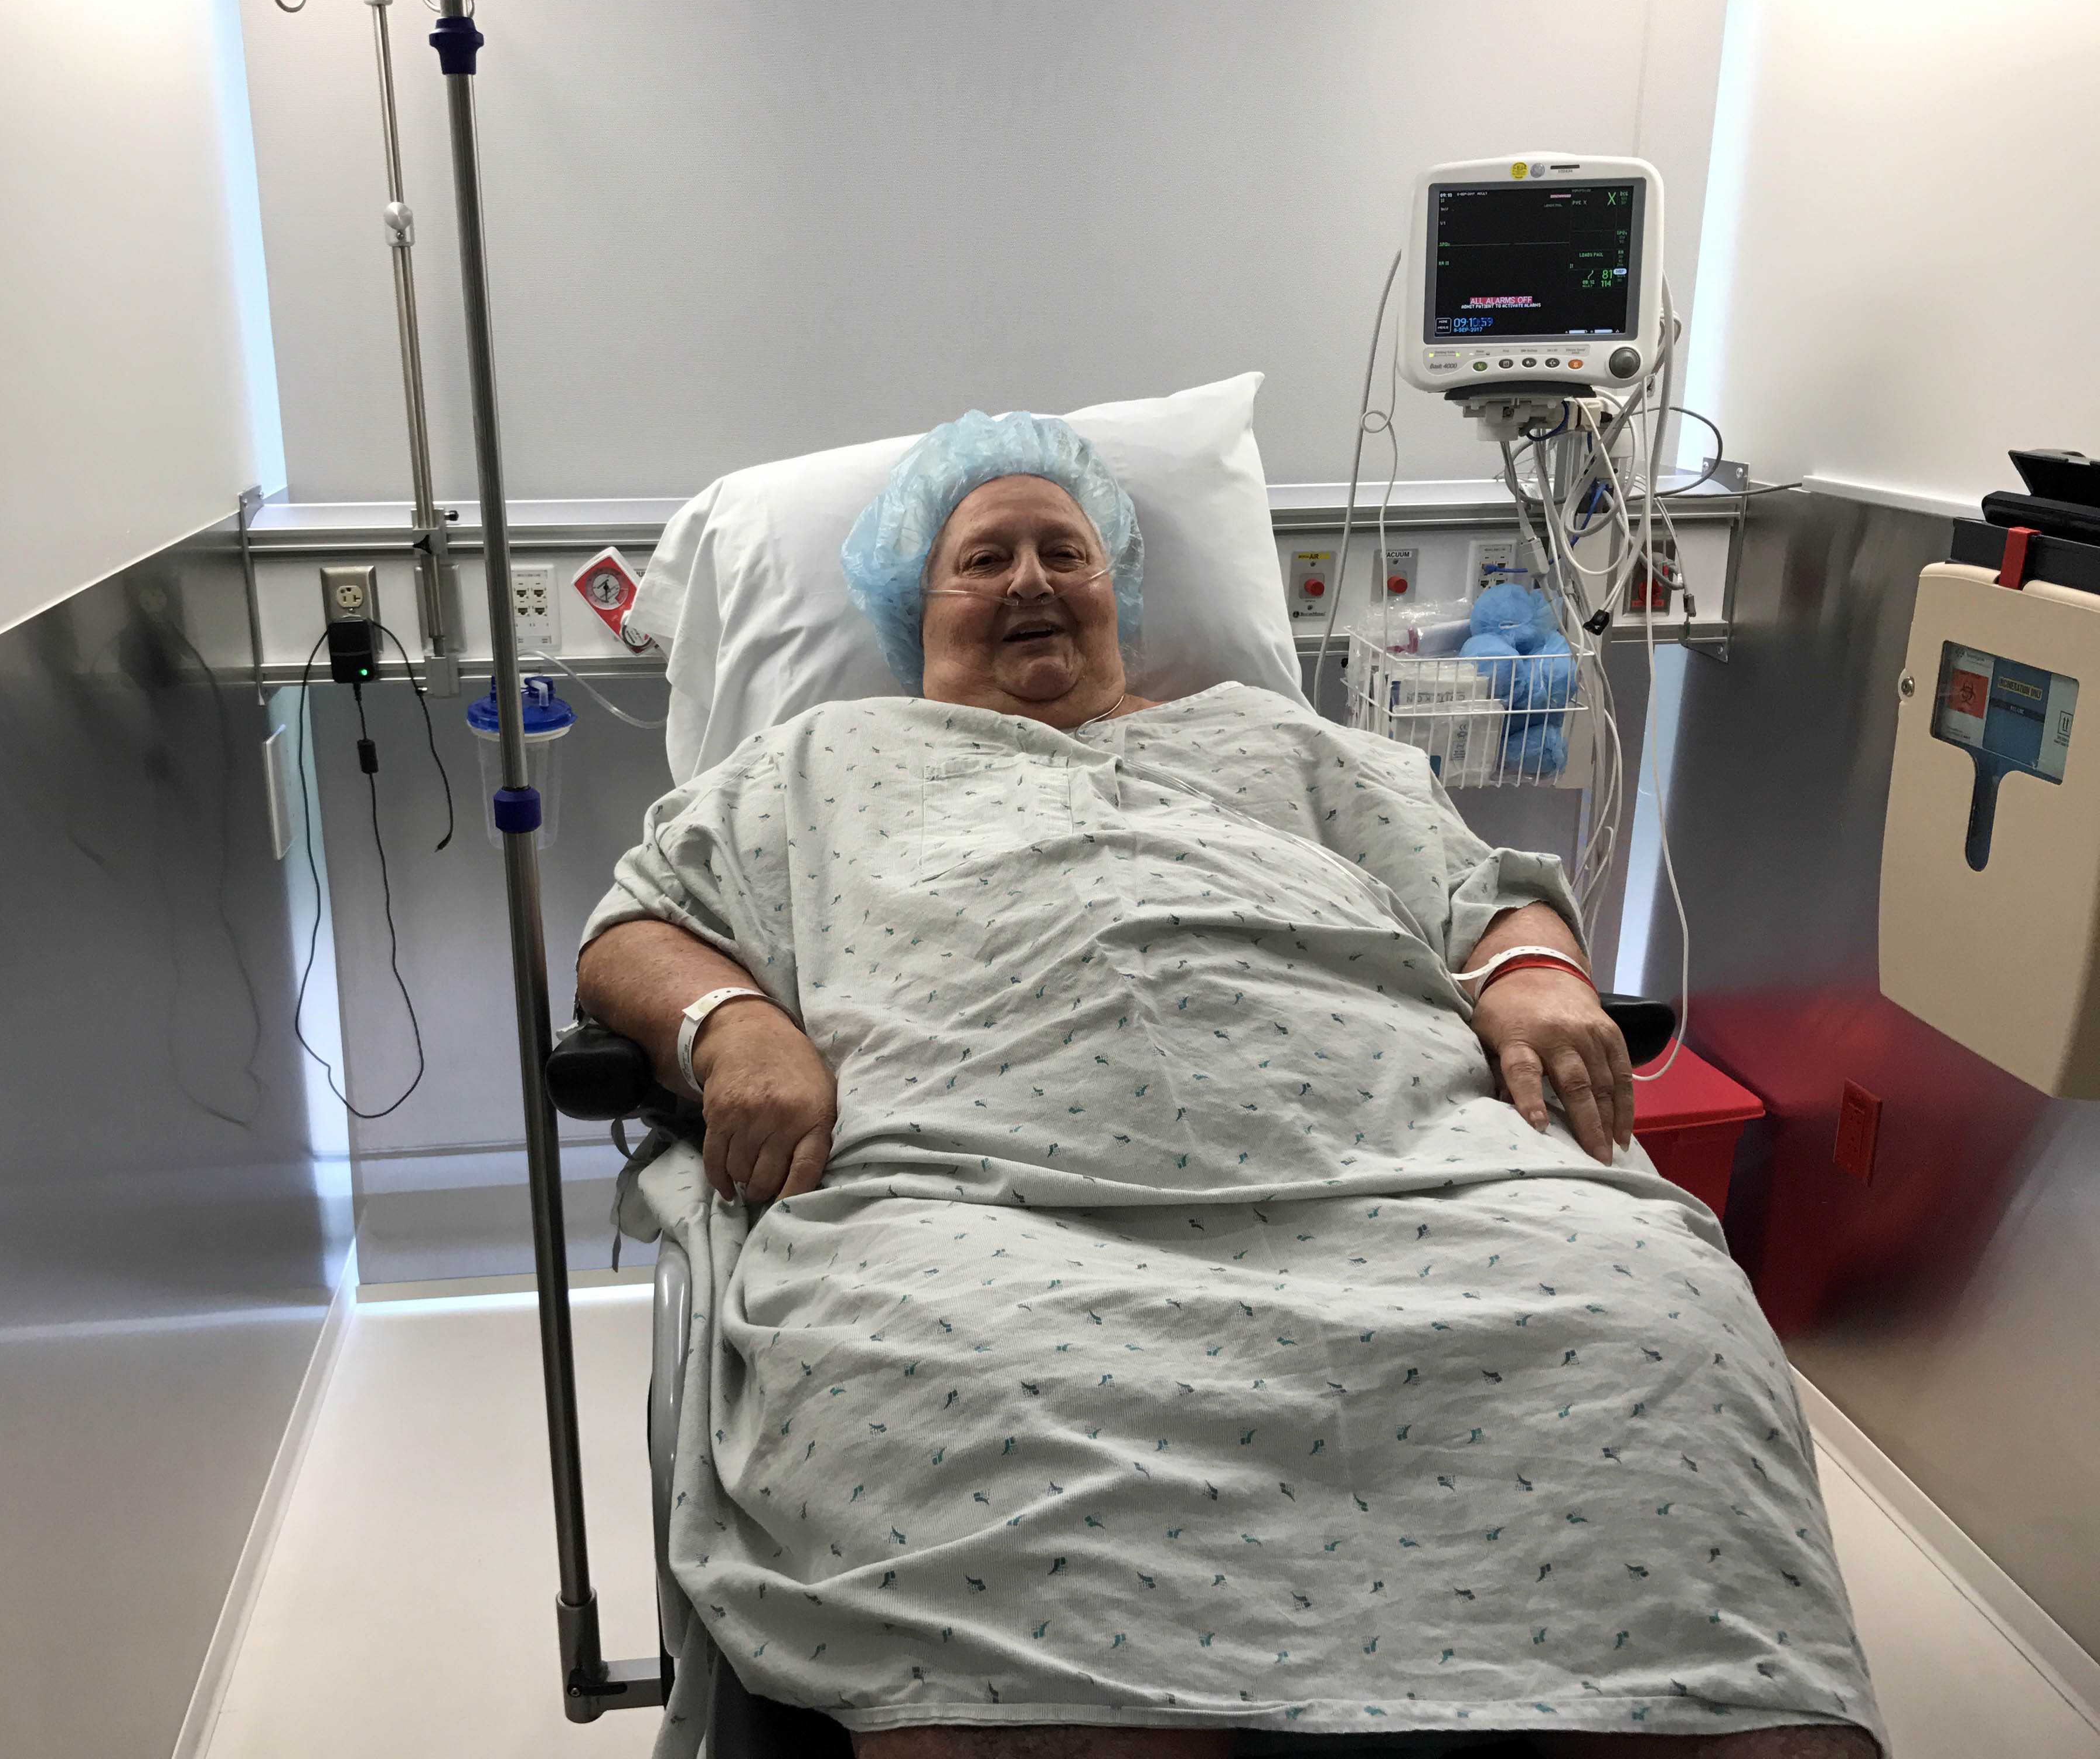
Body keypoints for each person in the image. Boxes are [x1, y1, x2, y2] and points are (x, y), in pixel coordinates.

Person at [578, 411, 1881, 1759]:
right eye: (985, 560)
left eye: (1064, 552)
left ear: (1119, 589)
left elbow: (1481, 892)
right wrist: (733, 1021)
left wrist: (1536, 974)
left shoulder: (1284, 744)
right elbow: (638, 925)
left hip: (1416, 1176)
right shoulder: (821, 759)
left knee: (1655, 1315)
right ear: (917, 605)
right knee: (932, 1393)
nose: (1029, 581)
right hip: (978, 1213)